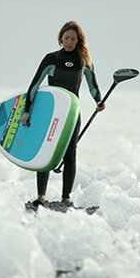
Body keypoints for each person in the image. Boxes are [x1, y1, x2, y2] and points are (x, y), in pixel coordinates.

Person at [21, 21, 105, 207]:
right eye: (66, 38)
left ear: (79, 40)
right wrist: (27, 110)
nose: (69, 41)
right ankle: (41, 196)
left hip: (71, 115)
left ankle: (66, 197)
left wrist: (98, 101)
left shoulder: (84, 61)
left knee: (70, 154)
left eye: (73, 39)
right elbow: (34, 85)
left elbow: (93, 87)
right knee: (45, 150)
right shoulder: (51, 59)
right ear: (60, 39)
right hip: (51, 113)